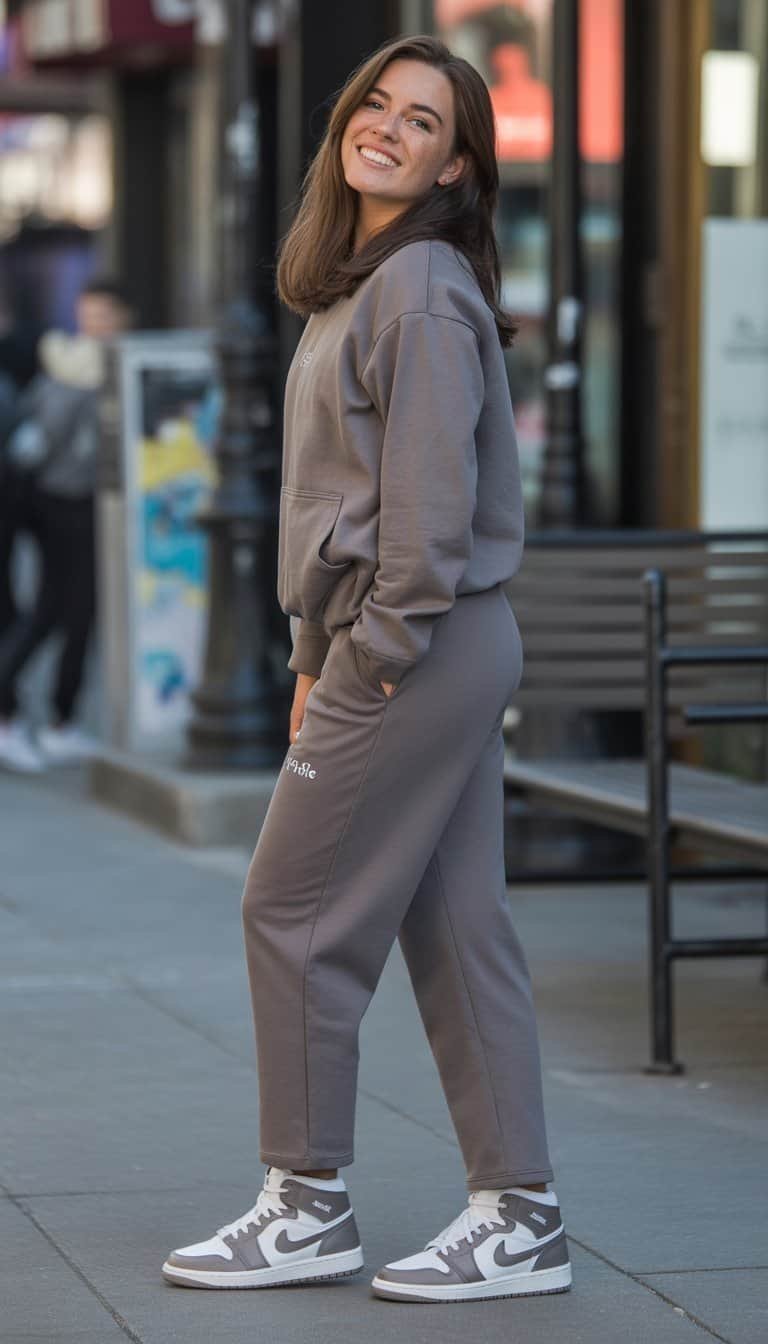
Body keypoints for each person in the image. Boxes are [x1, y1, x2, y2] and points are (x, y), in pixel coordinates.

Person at [162, 35, 571, 1304]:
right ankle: (524, 1219)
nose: (388, 126)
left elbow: (425, 516)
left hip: (423, 638)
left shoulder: (421, 286)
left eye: (423, 119)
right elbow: (331, 502)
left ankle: (307, 1202)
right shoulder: (363, 284)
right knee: (456, 929)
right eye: (376, 104)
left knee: (291, 911)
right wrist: (310, 657)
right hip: (415, 641)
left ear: (457, 161)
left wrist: (370, 660)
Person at [0, 277, 132, 772]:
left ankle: (61, 722)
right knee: (57, 612)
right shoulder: (73, 366)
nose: (94, 324)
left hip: (86, 505)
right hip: (66, 506)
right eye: (88, 314)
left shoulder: (105, 362)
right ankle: (38, 717)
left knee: (72, 615)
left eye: (103, 315)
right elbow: (45, 435)